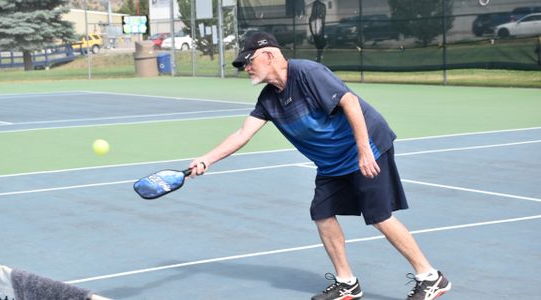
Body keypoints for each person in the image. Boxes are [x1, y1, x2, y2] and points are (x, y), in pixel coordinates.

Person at [188, 32, 451, 300]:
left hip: (366, 147)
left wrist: (363, 149)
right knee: (322, 215)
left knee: (379, 216)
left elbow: (349, 101)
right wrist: (207, 159)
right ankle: (347, 282)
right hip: (331, 163)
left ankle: (430, 276)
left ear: (269, 55)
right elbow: (242, 134)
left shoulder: (306, 73)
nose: (246, 68)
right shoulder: (269, 98)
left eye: (249, 61)